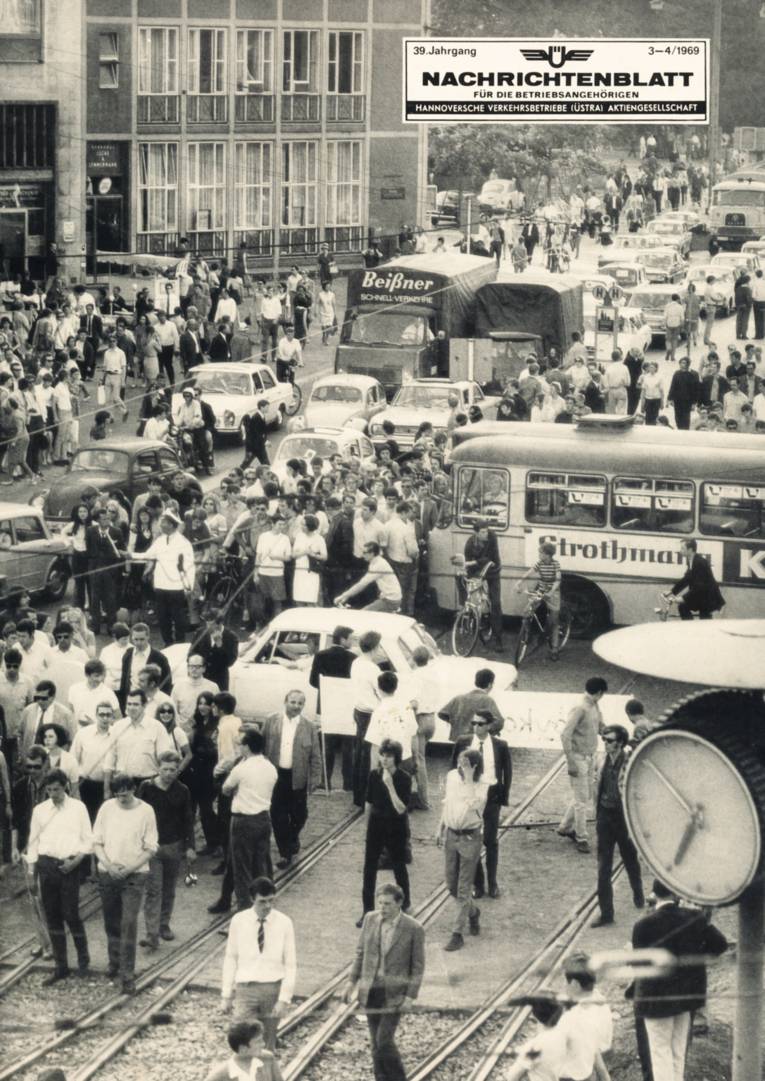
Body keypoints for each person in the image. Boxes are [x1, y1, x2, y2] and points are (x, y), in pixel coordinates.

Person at [632, 879, 727, 1081]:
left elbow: (639, 966)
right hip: (685, 997)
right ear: (677, 894)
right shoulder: (695, 918)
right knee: (678, 1050)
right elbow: (720, 945)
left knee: (660, 1053)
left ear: (654, 895)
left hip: (655, 1000)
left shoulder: (642, 925)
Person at [345, 882, 425, 1081]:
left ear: (399, 903)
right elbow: (361, 952)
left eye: (388, 904)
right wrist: (351, 982)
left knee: (384, 1040)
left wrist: (410, 996)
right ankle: (380, 1078)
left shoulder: (414, 928)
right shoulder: (370, 919)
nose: (383, 908)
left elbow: (417, 966)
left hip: (395, 994)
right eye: (380, 903)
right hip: (371, 990)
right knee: (375, 1042)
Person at [24, 768, 93, 984]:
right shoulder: (40, 811)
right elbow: (33, 842)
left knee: (70, 913)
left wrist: (76, 861)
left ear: (66, 787)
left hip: (69, 865)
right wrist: (32, 872)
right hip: (46, 865)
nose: (53, 794)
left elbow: (88, 840)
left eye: (57, 789)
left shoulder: (78, 808)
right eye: (49, 790)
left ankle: (83, 956)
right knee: (52, 916)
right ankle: (61, 965)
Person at [93, 772, 159, 994]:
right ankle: (115, 962)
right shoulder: (106, 809)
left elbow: (151, 847)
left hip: (135, 875)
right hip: (108, 873)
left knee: (129, 923)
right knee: (111, 921)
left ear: (133, 789)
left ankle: (128, 975)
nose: (122, 798)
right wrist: (109, 866)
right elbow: (97, 842)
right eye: (118, 795)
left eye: (126, 793)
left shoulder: (146, 811)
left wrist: (129, 869)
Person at [221, 876, 296, 1052]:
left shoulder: (285, 923)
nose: (268, 906)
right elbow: (231, 957)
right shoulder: (239, 921)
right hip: (245, 989)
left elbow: (291, 964)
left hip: (272, 990)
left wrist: (284, 999)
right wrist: (226, 994)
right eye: (263, 901)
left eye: (271, 901)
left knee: (267, 1045)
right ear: (252, 899)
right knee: (242, 1041)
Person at [451, 710, 512, 901]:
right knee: (472, 840)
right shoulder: (463, 742)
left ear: (489, 726)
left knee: (491, 840)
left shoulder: (500, 745)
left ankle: (492, 883)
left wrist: (503, 797)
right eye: (474, 723)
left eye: (480, 724)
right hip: (470, 796)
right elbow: (453, 768)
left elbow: (507, 772)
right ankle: (478, 883)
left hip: (491, 796)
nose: (476, 727)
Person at [138, 750, 195, 949]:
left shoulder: (183, 790)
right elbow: (137, 817)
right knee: (154, 890)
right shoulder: (146, 788)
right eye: (165, 769)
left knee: (169, 889)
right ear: (158, 768)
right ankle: (151, 933)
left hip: (173, 846)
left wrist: (190, 847)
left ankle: (164, 925)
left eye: (173, 769)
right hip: (152, 848)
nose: (169, 773)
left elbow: (189, 820)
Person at [590, 725, 645, 928]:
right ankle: (606, 914)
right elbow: (597, 784)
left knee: (630, 860)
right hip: (605, 816)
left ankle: (638, 894)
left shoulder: (630, 762)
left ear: (620, 743)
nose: (605, 743)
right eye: (604, 739)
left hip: (623, 819)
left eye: (610, 740)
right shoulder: (601, 759)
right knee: (603, 867)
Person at [261, 690, 321, 869]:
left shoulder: (309, 727)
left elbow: (315, 755)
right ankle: (285, 852)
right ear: (285, 701)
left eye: (300, 703)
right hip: (276, 776)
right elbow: (261, 745)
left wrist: (315, 778)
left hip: (298, 778)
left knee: (300, 814)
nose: (296, 706)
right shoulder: (271, 721)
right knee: (278, 816)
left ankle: (293, 837)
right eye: (293, 702)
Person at [437, 748, 488, 952]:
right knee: (451, 884)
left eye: (465, 764)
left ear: (474, 767)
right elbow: (447, 803)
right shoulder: (451, 777)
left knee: (464, 888)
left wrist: (468, 780)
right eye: (459, 762)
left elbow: (474, 803)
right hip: (451, 834)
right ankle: (473, 912)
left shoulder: (482, 785)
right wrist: (439, 827)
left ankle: (457, 934)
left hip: (470, 837)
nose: (460, 767)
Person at [222, 727, 277, 911]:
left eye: (240, 744)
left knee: (242, 869)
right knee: (260, 865)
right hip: (263, 819)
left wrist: (237, 789)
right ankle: (263, 906)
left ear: (247, 747)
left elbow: (226, 789)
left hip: (243, 821)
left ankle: (245, 911)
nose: (239, 748)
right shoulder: (270, 767)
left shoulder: (242, 768)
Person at [359, 738, 412, 924]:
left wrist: (389, 785)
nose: (384, 759)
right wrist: (367, 827)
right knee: (369, 869)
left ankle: (405, 906)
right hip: (376, 826)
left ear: (396, 758)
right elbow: (368, 803)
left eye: (389, 756)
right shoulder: (374, 775)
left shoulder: (404, 778)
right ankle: (367, 911)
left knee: (399, 867)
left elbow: (401, 808)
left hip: (396, 828)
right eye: (382, 755)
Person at [558, 676, 608, 853]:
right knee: (581, 801)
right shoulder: (579, 708)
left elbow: (600, 725)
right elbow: (565, 735)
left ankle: (565, 827)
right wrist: (571, 761)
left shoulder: (595, 705)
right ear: (599, 693)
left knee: (583, 797)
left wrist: (608, 732)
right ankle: (581, 836)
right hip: (578, 758)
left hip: (590, 757)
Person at [308, 625, 355, 793]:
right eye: (351, 638)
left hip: (326, 704)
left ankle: (324, 780)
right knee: (348, 745)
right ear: (342, 639)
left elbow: (313, 681)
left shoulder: (321, 656)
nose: (352, 641)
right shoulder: (353, 658)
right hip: (346, 706)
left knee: (326, 745)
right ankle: (348, 782)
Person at [103, 688, 173, 794]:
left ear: (144, 706)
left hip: (149, 783)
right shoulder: (117, 727)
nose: (131, 708)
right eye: (129, 704)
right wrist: (107, 789)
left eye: (135, 704)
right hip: (122, 783)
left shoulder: (157, 727)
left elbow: (165, 760)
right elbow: (109, 760)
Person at [142, 511, 195, 646]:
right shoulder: (160, 540)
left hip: (176, 586)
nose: (161, 524)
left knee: (178, 616)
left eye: (164, 522)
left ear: (171, 525)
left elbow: (189, 566)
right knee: (162, 616)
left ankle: (179, 642)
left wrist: (189, 586)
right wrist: (130, 555)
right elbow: (148, 555)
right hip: (160, 585)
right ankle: (168, 642)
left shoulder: (183, 542)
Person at [350, 631, 385, 808]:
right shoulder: (373, 669)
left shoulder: (356, 663)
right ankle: (366, 795)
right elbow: (381, 692)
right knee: (369, 755)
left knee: (360, 752)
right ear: (375, 647)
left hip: (359, 710)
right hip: (371, 713)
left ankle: (358, 793)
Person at [70, 701, 116, 823]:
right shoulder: (83, 734)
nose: (105, 718)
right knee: (86, 821)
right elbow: (73, 760)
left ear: (112, 717)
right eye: (102, 715)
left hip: (109, 786)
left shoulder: (116, 735)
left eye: (108, 715)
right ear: (96, 715)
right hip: (86, 785)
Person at [515, 541, 562, 659]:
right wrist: (519, 582)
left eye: (541, 552)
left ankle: (555, 649)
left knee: (554, 621)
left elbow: (558, 580)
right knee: (527, 612)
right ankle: (527, 635)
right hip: (540, 591)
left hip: (553, 593)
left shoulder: (555, 564)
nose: (539, 554)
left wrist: (551, 592)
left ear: (547, 554)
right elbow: (529, 572)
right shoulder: (540, 563)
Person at [463, 521, 504, 651]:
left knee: (496, 603)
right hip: (477, 572)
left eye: (486, 530)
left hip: (492, 571)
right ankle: (477, 627)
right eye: (482, 532)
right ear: (475, 533)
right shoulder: (470, 543)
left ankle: (498, 639)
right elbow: (467, 563)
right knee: (474, 600)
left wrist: (475, 562)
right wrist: (471, 578)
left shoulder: (492, 537)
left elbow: (491, 558)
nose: (486, 533)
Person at [86, 508, 125, 634]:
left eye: (108, 518)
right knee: (94, 598)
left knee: (110, 599)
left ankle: (111, 627)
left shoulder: (116, 532)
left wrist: (119, 569)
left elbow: (121, 550)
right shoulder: (90, 531)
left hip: (110, 570)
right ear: (98, 520)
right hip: (95, 569)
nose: (106, 521)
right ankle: (95, 626)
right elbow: (89, 549)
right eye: (103, 519)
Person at [438, 669, 504, 743]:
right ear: (489, 685)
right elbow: (499, 723)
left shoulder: (459, 698)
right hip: (475, 741)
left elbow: (442, 713)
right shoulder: (488, 700)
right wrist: (486, 729)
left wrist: (455, 722)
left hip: (456, 740)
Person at [204, 1020, 284, 1081]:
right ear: (243, 1049)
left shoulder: (268, 1059)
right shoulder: (220, 1075)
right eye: (258, 1042)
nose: (263, 1044)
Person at [118, 623, 172, 712]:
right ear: (131, 638)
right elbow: (124, 682)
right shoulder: (128, 654)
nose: (139, 643)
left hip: (150, 703)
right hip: (131, 702)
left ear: (148, 637)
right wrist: (123, 704)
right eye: (136, 639)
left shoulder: (159, 658)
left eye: (142, 639)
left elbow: (166, 684)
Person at [666, 539, 724, 620]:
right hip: (701, 596)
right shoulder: (691, 560)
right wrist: (671, 591)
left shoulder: (700, 562)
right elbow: (686, 579)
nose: (680, 551)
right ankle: (692, 628)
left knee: (704, 619)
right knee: (683, 607)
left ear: (690, 550)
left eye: (682, 548)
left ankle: (693, 629)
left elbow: (699, 587)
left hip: (709, 598)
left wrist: (683, 598)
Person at [195, 610, 239, 691]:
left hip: (220, 680)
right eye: (206, 623)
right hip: (201, 678)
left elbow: (230, 661)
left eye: (211, 624)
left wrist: (220, 646)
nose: (207, 627)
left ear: (220, 623)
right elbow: (191, 652)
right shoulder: (200, 633)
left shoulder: (231, 636)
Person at [667, 357, 700, 431]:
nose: (682, 365)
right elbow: (673, 386)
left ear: (688, 364)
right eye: (681, 363)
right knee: (677, 417)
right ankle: (679, 430)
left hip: (688, 401)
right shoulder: (677, 373)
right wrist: (670, 398)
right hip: (677, 400)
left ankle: (685, 431)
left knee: (686, 418)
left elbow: (696, 389)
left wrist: (694, 403)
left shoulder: (694, 374)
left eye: (684, 363)